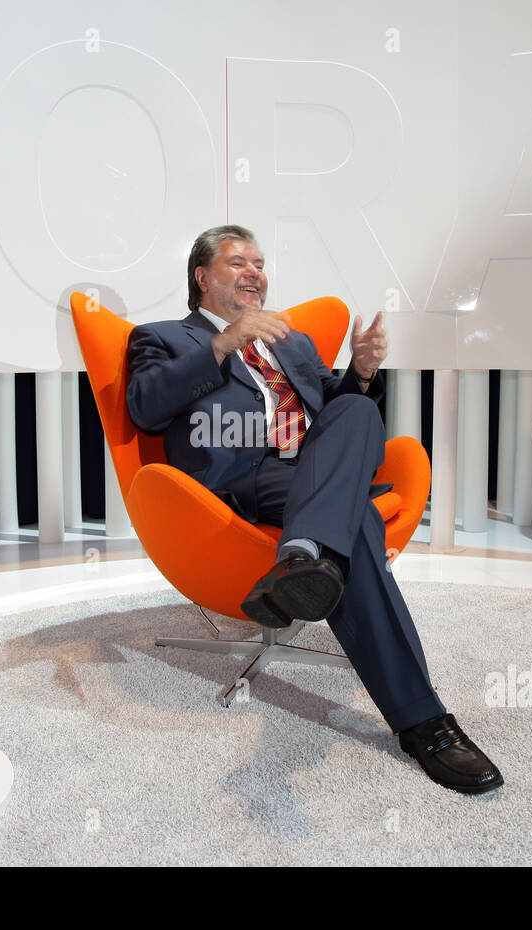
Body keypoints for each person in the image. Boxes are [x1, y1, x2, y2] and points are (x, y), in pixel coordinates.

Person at [125, 225, 502, 794]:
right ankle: (426, 723)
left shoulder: (293, 342)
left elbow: (338, 411)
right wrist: (224, 343)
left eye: (260, 261)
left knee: (357, 412)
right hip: (239, 480)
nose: (255, 271)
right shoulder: (163, 337)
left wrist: (364, 369)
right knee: (362, 522)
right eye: (238, 262)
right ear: (202, 278)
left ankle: (302, 554)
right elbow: (146, 409)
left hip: (316, 474)